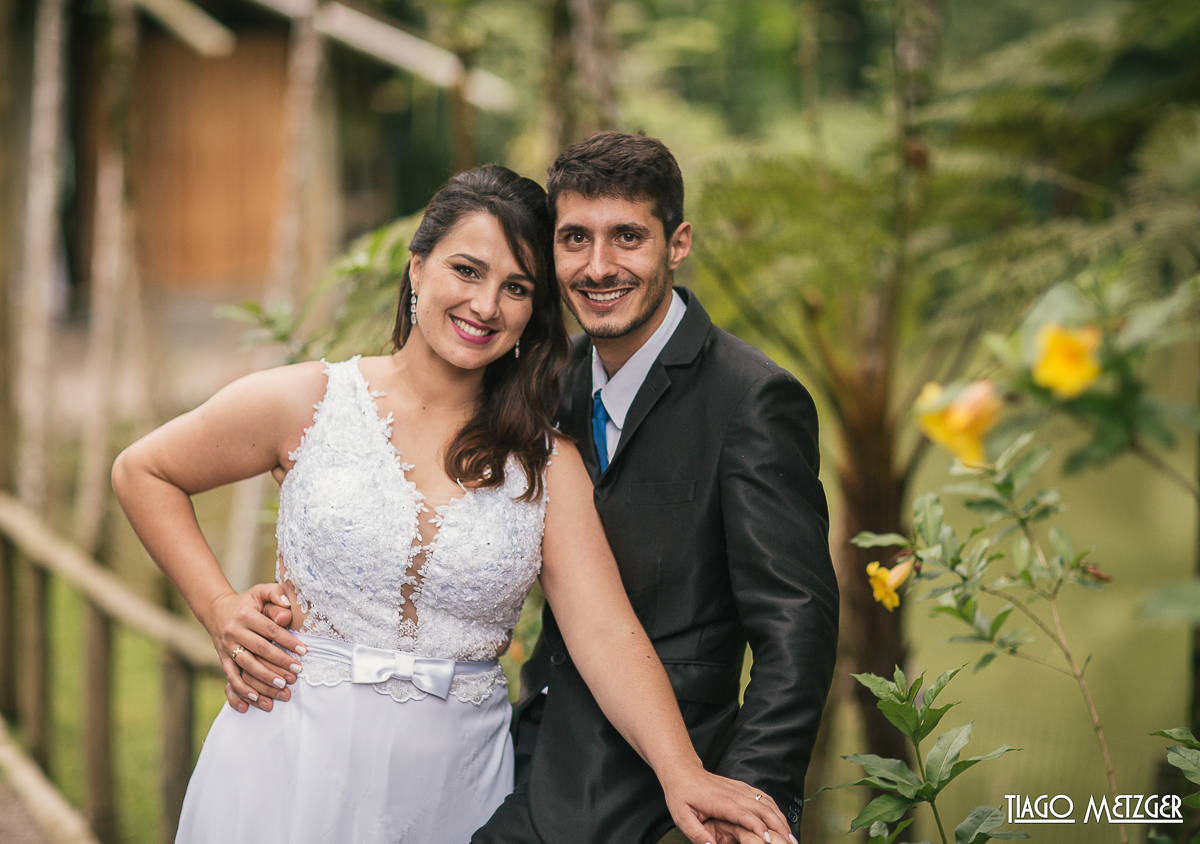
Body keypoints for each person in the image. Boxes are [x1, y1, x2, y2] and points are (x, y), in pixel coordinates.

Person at [112, 165, 791, 844]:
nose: (486, 306)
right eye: (466, 271)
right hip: (288, 756)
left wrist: (683, 773)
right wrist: (219, 607)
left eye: (516, 288)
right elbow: (144, 471)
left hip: (456, 784)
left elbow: (607, 634)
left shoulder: (547, 464)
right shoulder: (307, 401)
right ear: (417, 268)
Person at [468, 133, 840, 844]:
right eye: (574, 238)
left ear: (678, 244)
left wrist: (744, 803)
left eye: (627, 237)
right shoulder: (550, 385)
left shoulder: (753, 400)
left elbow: (796, 627)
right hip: (523, 764)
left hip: (662, 799)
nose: (598, 266)